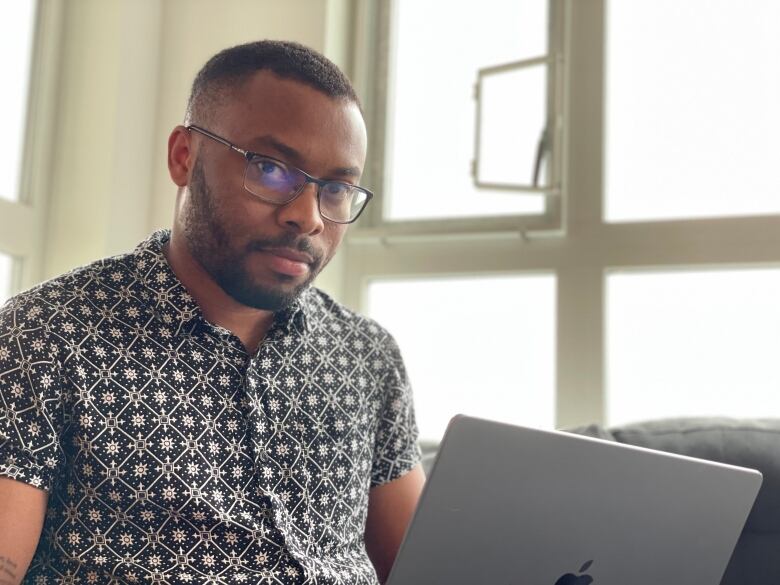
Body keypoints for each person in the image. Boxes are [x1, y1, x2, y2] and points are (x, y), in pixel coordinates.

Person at [0, 40, 424, 585]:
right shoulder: (44, 338)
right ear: (185, 157)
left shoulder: (366, 356)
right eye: (271, 170)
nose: (307, 218)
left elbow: (421, 567)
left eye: (337, 189)